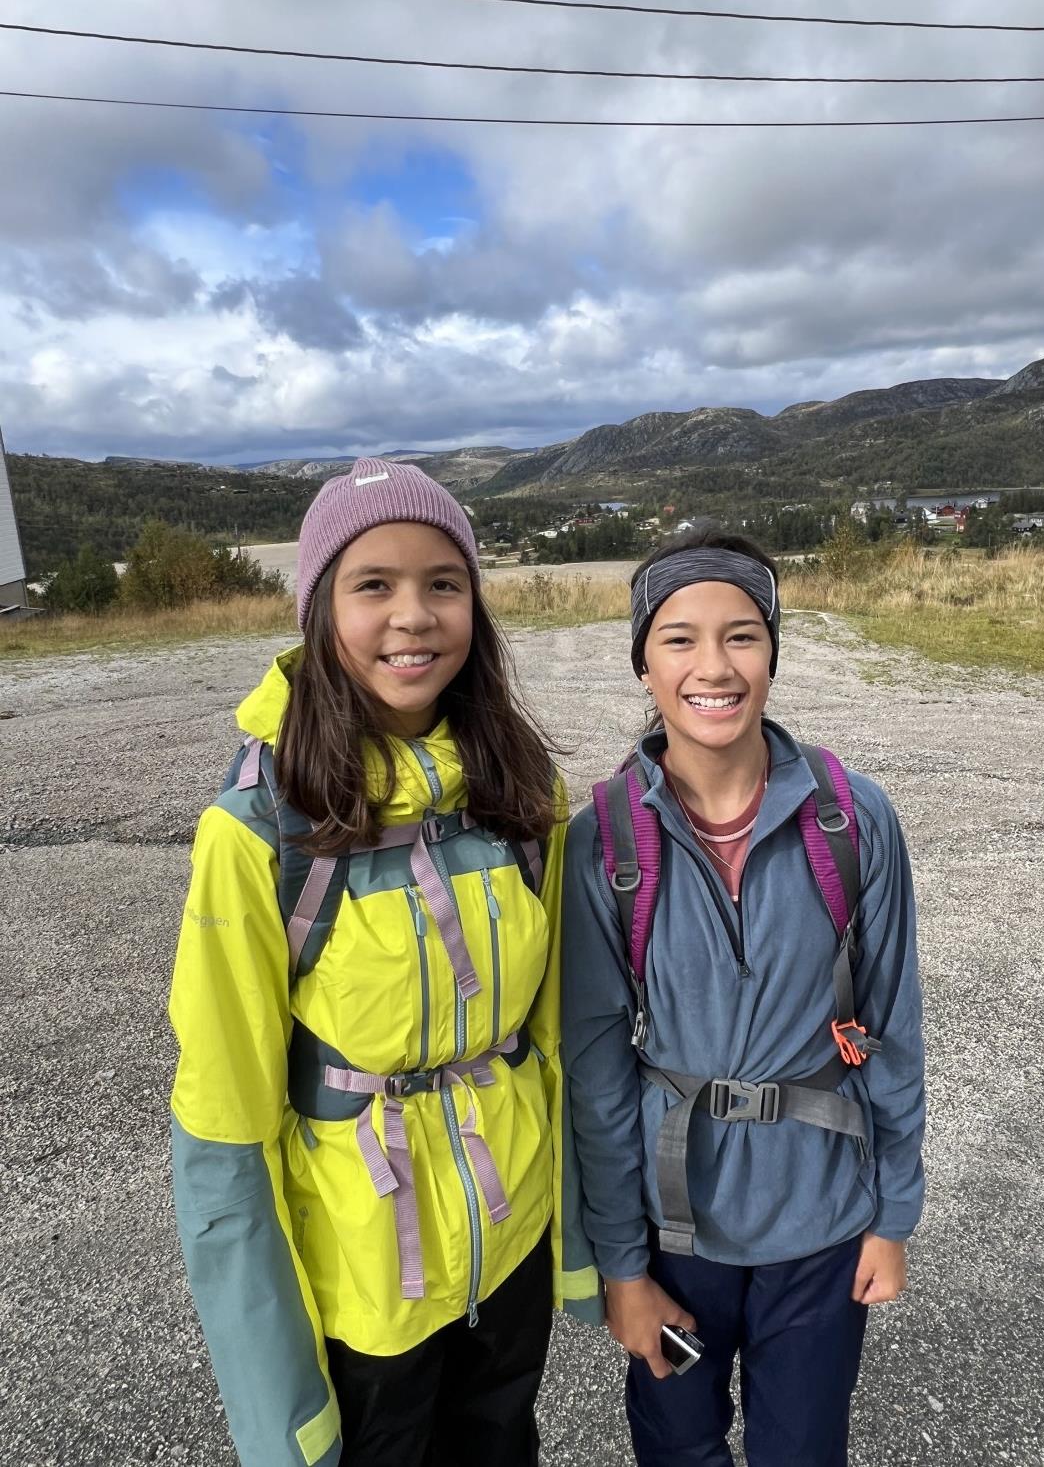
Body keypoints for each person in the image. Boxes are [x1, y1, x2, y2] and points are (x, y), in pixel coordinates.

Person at [168, 458, 597, 1467]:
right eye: (374, 584)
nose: (414, 615)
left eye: (443, 583)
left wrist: (583, 1245)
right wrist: (276, 1403)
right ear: (322, 609)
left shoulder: (523, 791)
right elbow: (223, 1136)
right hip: (363, 1283)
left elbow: (560, 1046)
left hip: (509, 1244)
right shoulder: (256, 831)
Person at [562, 528, 925, 1467]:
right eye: (678, 638)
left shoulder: (852, 818)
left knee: (801, 1449)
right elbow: (596, 1077)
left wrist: (892, 1217)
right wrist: (622, 1266)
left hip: (822, 1218)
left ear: (772, 652)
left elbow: (891, 1031)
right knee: (676, 1448)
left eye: (742, 635)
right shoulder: (601, 843)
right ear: (642, 662)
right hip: (673, 1230)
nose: (714, 667)